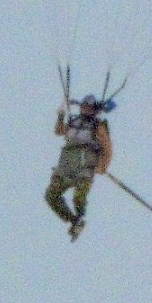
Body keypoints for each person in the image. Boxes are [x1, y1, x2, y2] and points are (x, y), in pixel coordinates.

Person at [45, 94, 112, 240]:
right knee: (51, 195)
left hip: (84, 166)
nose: (85, 110)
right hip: (66, 166)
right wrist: (61, 115)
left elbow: (107, 148)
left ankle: (80, 216)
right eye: (84, 107)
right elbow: (58, 131)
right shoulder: (74, 122)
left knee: (79, 197)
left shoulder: (97, 126)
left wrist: (102, 166)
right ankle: (75, 221)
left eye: (89, 108)